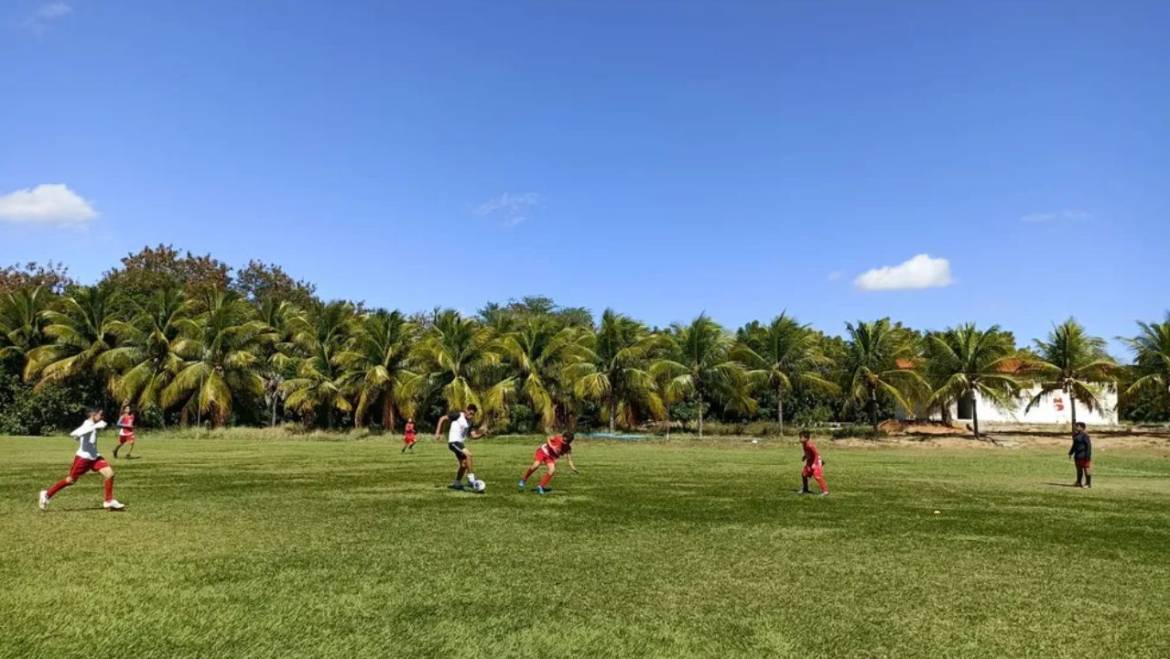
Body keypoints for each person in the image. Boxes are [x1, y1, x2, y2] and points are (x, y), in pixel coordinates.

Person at [39, 409, 126, 511]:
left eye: (103, 415)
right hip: (83, 458)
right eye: (100, 414)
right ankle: (46, 494)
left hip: (95, 457)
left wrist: (93, 428)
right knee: (70, 480)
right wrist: (95, 427)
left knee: (110, 474)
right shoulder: (88, 424)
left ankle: (108, 501)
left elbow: (80, 437)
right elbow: (74, 434)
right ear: (93, 414)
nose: (102, 417)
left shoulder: (93, 424)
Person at [433, 404, 485, 491]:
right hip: (453, 442)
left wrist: (482, 435)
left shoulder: (470, 422)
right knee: (469, 455)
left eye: (472, 414)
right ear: (466, 410)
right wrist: (438, 432)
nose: (471, 415)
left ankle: (457, 483)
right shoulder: (458, 415)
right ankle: (471, 479)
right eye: (470, 412)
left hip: (460, 443)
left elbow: (473, 436)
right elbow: (442, 418)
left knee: (464, 464)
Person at [797, 430, 829, 496]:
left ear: (806, 438)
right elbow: (808, 453)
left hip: (816, 461)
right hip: (810, 461)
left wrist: (815, 463)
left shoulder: (810, 445)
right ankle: (805, 489)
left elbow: (816, 454)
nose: (800, 439)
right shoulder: (804, 444)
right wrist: (805, 456)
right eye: (799, 437)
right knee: (804, 474)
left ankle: (825, 491)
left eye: (801, 437)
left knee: (817, 476)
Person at [1070, 422, 1093, 488]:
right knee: (1079, 469)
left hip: (1084, 456)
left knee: (1086, 469)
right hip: (1077, 456)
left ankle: (1088, 483)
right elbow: (1074, 445)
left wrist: (1088, 456)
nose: (1075, 427)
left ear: (1082, 428)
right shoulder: (1076, 435)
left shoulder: (1085, 436)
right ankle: (1078, 482)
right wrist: (1071, 452)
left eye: (1077, 426)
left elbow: (1088, 446)